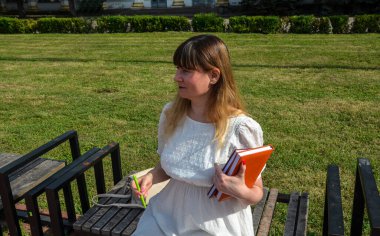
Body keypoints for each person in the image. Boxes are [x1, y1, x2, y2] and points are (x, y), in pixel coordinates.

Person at [131, 34, 264, 236]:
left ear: (214, 76)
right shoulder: (171, 114)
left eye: (186, 70)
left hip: (215, 225)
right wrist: (152, 176)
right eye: (177, 69)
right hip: (166, 214)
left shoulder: (241, 129)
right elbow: (173, 166)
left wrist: (239, 190)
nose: (177, 77)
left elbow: (256, 192)